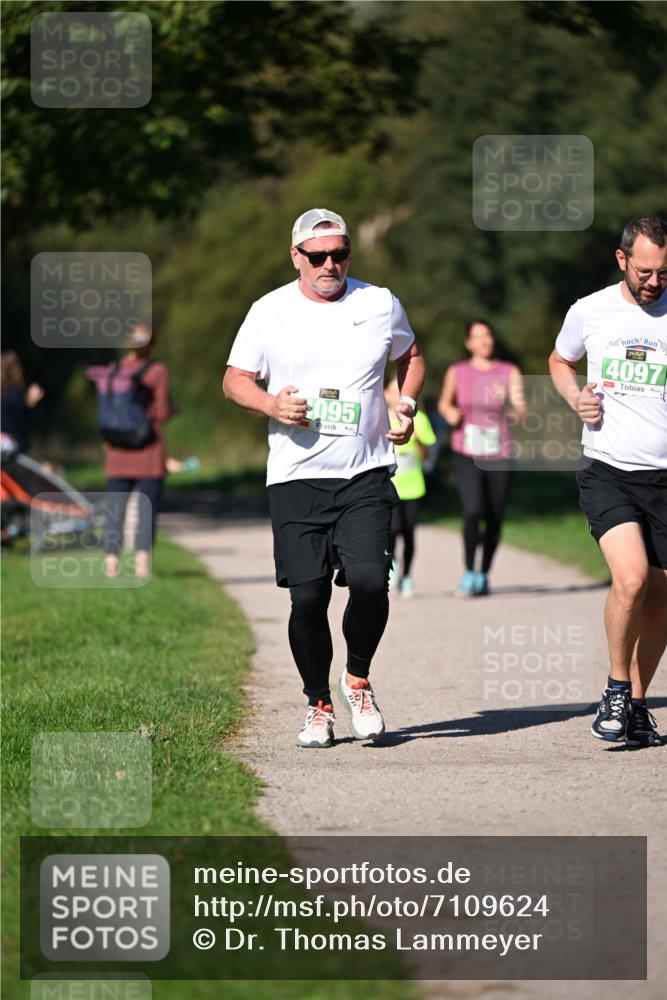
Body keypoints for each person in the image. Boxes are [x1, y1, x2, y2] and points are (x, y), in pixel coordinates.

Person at [223, 208, 425, 748]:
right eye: (317, 257)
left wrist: (406, 404)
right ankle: (318, 704)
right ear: (296, 257)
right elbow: (234, 379)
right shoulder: (268, 312)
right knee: (308, 598)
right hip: (296, 478)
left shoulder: (379, 303)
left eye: (340, 254)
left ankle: (357, 680)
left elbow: (411, 355)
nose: (329, 264)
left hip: (365, 472)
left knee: (369, 582)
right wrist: (271, 404)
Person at [549, 216, 667, 748]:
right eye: (644, 272)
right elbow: (559, 360)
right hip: (608, 470)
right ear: (622, 260)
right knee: (633, 578)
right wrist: (575, 396)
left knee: (662, 599)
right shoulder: (590, 310)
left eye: (663, 273)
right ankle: (616, 687)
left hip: (664, 476)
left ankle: (637, 704)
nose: (654, 282)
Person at [438, 320, 526, 597]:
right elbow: (444, 402)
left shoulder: (509, 371)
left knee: (494, 516)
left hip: (500, 453)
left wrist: (506, 402)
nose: (484, 341)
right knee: (473, 509)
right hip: (466, 451)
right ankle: (468, 571)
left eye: (487, 335)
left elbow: (521, 413)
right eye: (477, 337)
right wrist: (450, 413)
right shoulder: (457, 371)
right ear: (468, 343)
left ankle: (484, 573)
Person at [87, 323, 175, 580]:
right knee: (146, 509)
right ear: (152, 343)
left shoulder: (113, 369)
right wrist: (173, 409)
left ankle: (111, 565)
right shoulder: (157, 370)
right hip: (148, 450)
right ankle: (141, 567)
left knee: (115, 510)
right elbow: (161, 413)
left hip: (116, 450)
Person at [384, 376, 436, 598]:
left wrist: (417, 439)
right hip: (388, 487)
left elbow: (427, 454)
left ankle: (407, 576)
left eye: (401, 391)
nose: (397, 396)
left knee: (408, 533)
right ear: (385, 395)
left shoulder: (420, 419)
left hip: (413, 487)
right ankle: (392, 565)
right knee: (391, 530)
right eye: (392, 391)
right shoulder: (380, 418)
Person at [0, 351, 45, 454]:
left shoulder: (10, 393)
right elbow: (21, 420)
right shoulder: (15, 394)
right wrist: (30, 403)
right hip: (13, 446)